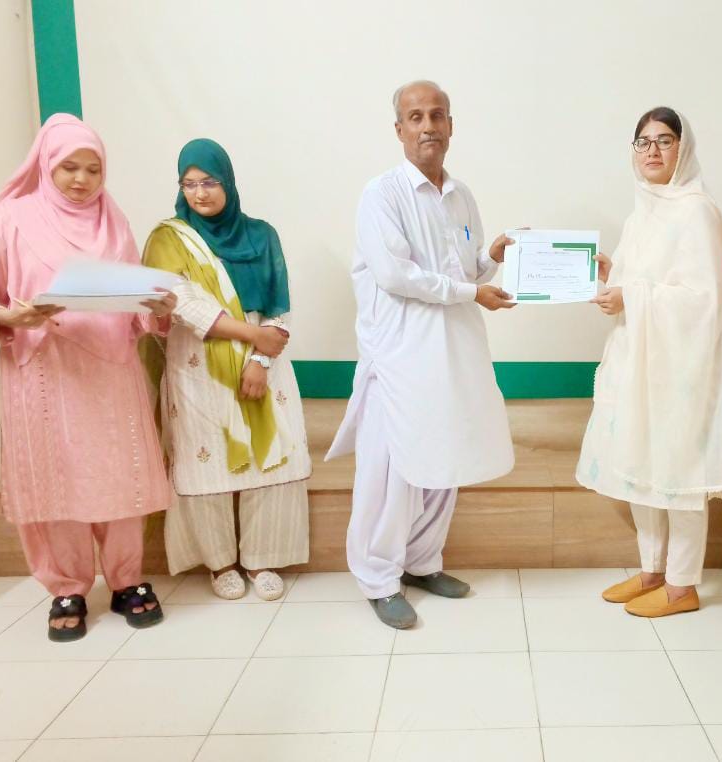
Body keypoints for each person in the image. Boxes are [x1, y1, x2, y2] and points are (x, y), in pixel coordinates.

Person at [0, 114, 174, 641]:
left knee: (120, 474)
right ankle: (67, 587)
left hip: (110, 370)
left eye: (93, 169)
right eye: (69, 168)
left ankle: (127, 580)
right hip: (45, 372)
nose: (81, 179)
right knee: (56, 479)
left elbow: (134, 301)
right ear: (46, 165)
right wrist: (7, 316)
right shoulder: (9, 219)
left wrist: (156, 308)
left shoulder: (113, 219)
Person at [325, 80, 516, 629]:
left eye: (437, 115)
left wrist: (491, 258)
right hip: (401, 355)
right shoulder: (381, 195)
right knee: (392, 472)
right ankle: (378, 579)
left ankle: (422, 562)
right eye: (416, 117)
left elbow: (466, 268)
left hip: (454, 351)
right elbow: (396, 275)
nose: (428, 126)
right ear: (399, 129)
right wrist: (472, 290)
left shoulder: (461, 194)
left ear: (451, 125)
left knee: (443, 461)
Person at [577, 107, 722, 618]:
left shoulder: (697, 210)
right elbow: (644, 280)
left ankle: (681, 585)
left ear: (683, 148)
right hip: (637, 364)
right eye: (643, 141)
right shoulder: (641, 214)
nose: (652, 151)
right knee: (640, 468)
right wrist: (614, 275)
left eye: (665, 140)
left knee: (678, 475)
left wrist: (631, 295)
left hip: (680, 370)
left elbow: (704, 299)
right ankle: (651, 570)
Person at [142, 139, 310, 601]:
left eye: (210, 182)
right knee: (204, 463)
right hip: (197, 365)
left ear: (228, 183)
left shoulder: (262, 235)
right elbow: (184, 305)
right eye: (189, 184)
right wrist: (253, 335)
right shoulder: (168, 239)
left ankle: (263, 557)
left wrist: (260, 359)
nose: (200, 193)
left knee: (272, 456)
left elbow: (278, 307)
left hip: (264, 361)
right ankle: (220, 563)